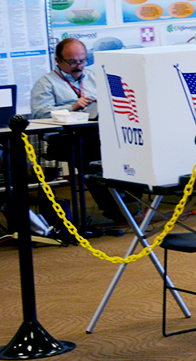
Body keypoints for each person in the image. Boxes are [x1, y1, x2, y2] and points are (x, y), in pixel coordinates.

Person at [30, 38, 126, 228]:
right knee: (92, 156)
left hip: (96, 134)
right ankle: (116, 209)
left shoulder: (94, 77)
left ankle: (126, 203)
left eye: (82, 61)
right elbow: (39, 113)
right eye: (72, 62)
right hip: (64, 139)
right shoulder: (46, 83)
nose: (78, 66)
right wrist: (72, 107)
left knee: (123, 149)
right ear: (58, 60)